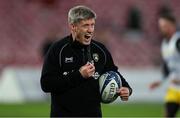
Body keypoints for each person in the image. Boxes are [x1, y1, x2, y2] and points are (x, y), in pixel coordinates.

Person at [40, 5, 132, 117]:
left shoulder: (100, 50)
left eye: (92, 25)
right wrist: (79, 75)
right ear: (73, 27)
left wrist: (127, 88)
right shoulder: (58, 50)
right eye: (85, 25)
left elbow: (113, 72)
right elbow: (46, 84)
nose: (90, 30)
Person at [149, 14, 180, 117]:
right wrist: (160, 81)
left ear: (172, 26)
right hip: (174, 88)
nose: (161, 29)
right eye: (161, 26)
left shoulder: (178, 41)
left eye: (164, 26)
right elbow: (168, 66)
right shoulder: (165, 44)